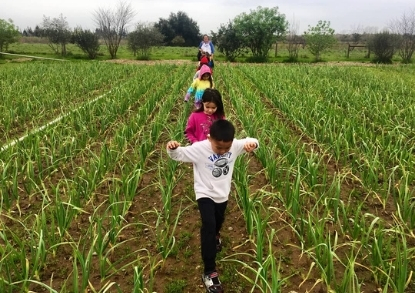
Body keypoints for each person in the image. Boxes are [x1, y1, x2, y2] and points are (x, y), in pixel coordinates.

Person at [166, 120, 259, 293]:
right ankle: (209, 271)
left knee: (218, 221)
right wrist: (172, 148)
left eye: (227, 148)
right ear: (209, 139)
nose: (223, 151)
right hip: (204, 193)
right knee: (208, 225)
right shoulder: (200, 148)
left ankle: (216, 235)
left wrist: (253, 144)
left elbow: (252, 141)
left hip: (222, 193)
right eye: (219, 148)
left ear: (232, 141)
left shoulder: (235, 146)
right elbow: (178, 155)